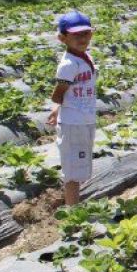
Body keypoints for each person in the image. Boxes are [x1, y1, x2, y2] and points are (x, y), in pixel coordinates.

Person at [47, 11, 97, 206]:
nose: (82, 38)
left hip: (85, 120)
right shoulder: (68, 64)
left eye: (86, 33)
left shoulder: (85, 57)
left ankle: (74, 207)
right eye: (76, 35)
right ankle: (72, 212)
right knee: (73, 171)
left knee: (79, 165)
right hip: (73, 123)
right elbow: (59, 92)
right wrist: (56, 109)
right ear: (62, 38)